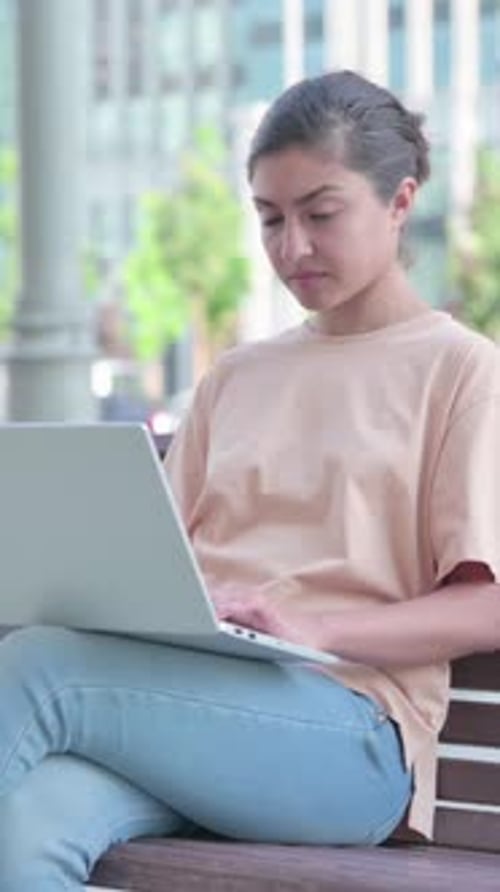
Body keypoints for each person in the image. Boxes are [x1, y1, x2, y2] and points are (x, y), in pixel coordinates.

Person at [1, 70, 499, 891]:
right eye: (270, 219)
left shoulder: (461, 372)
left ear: (401, 201)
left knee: (42, 668)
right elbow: (157, 555)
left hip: (348, 736)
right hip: (192, 706)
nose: (291, 247)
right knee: (24, 830)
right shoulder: (236, 376)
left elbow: (486, 603)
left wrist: (316, 626)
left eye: (321, 214)